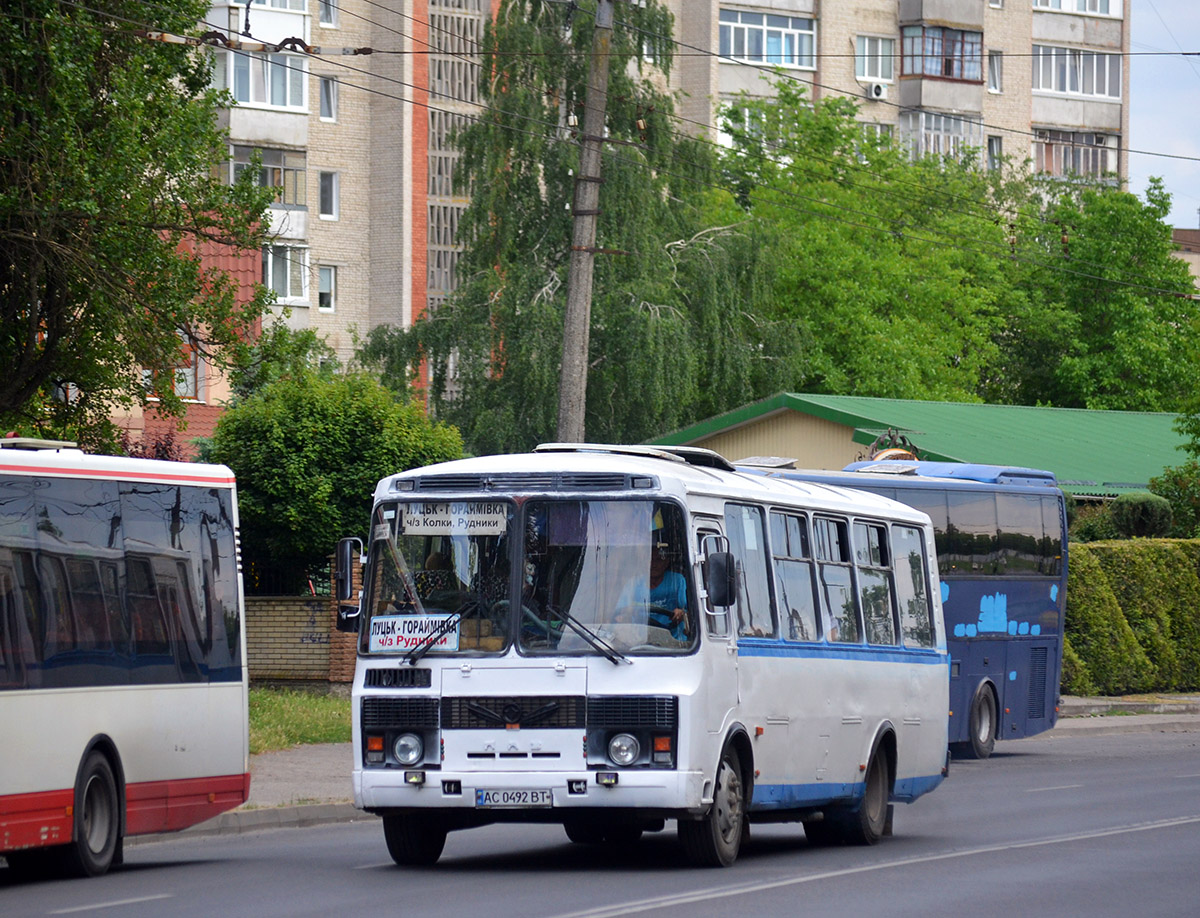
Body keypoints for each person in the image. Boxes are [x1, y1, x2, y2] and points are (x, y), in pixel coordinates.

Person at [619, 540, 689, 642]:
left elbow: (688, 611)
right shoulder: (633, 584)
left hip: (674, 642)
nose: (654, 564)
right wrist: (625, 615)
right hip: (637, 640)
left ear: (666, 562)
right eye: (650, 560)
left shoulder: (677, 581)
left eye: (658, 560)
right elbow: (621, 613)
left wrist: (681, 613)